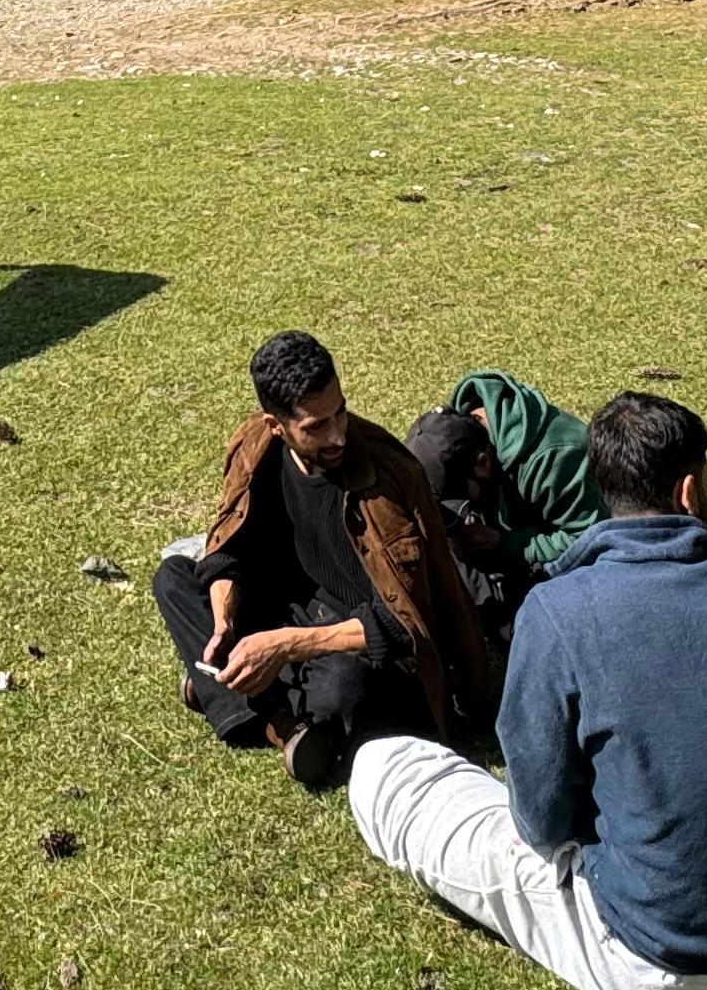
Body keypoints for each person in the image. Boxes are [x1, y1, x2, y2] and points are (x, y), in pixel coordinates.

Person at [351, 389, 707, 990]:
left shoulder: (557, 610)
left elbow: (541, 825)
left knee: (383, 768)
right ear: (689, 493)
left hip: (648, 954)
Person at [153, 331, 494, 790]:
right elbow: (230, 552)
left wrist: (285, 646)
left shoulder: (389, 478)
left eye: (341, 413)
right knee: (173, 578)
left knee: (342, 689)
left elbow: (403, 623)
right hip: (292, 609)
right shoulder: (255, 448)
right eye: (316, 427)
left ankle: (232, 695)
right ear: (276, 426)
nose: (337, 435)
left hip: (362, 646)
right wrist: (223, 626)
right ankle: (276, 718)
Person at [403, 406, 537, 693]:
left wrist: (504, 542)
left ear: (483, 463)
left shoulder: (538, 471)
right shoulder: (424, 460)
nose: (462, 522)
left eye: (458, 506)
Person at [444, 369, 602, 568]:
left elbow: (589, 540)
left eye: (464, 500)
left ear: (483, 463)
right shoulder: (457, 437)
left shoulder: (557, 459)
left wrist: (503, 542)